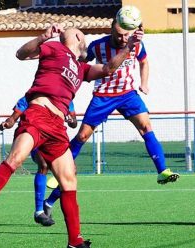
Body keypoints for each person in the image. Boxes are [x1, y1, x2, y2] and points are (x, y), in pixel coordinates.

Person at [0, 23, 144, 248]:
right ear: (76, 38)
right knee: (16, 158)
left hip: (57, 127)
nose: (85, 41)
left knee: (69, 180)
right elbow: (21, 54)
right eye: (82, 37)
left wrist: (129, 46)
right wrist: (42, 37)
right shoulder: (54, 48)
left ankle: (75, 242)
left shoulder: (82, 68)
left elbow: (109, 68)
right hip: (38, 114)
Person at [68, 20, 179, 184]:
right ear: (111, 30)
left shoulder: (137, 45)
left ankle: (162, 170)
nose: (123, 39)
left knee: (146, 127)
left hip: (127, 94)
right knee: (83, 135)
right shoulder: (97, 46)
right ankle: (61, 167)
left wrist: (144, 83)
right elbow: (80, 64)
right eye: (119, 35)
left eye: (126, 35)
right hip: (103, 95)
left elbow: (144, 62)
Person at [0, 96, 77, 226]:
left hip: (54, 140)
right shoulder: (31, 97)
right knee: (44, 165)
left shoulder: (66, 98)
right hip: (35, 138)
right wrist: (8, 123)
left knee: (72, 172)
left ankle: (49, 202)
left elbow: (74, 123)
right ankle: (39, 212)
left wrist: (71, 120)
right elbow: (13, 118)